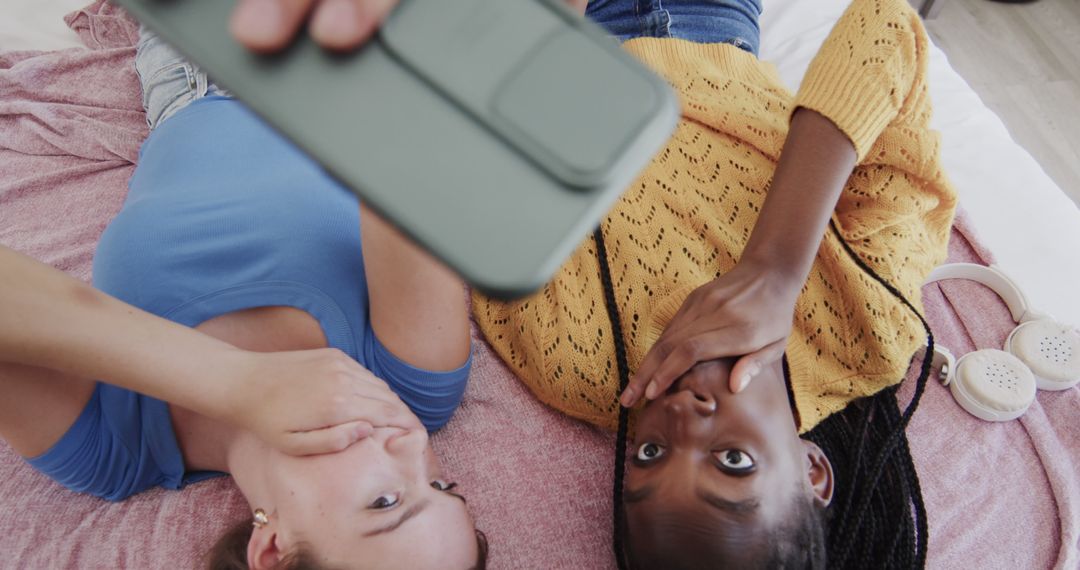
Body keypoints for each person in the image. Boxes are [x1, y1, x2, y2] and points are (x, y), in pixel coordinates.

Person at [471, 0, 957, 568]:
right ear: (811, 471)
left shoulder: (575, 365)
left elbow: (489, 171)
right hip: (706, 17)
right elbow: (884, 24)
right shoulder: (871, 325)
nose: (681, 418)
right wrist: (774, 267)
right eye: (732, 462)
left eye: (650, 454)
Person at [0, 25, 486, 570]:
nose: (413, 446)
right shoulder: (412, 386)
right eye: (442, 483)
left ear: (273, 549)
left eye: (386, 501)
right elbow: (409, 129)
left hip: (185, 69)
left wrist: (240, 384)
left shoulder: (113, 447)